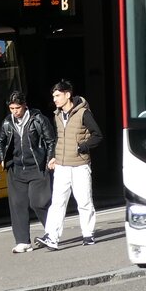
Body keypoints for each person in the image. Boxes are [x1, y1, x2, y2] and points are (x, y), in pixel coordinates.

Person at [37, 80, 102, 249]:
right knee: (57, 202)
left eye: (57, 95)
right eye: (53, 96)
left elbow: (97, 135)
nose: (55, 99)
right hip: (62, 165)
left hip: (80, 164)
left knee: (84, 201)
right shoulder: (57, 115)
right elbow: (60, 139)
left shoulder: (83, 113)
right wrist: (54, 157)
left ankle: (88, 234)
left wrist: (82, 147)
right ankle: (52, 237)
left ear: (67, 95)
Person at [0, 91, 55, 253]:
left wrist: (50, 159)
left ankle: (52, 233)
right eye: (12, 108)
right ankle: (22, 241)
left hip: (37, 167)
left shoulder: (38, 119)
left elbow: (51, 140)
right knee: (17, 205)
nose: (15, 111)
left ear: (25, 105)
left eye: (18, 108)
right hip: (16, 169)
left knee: (39, 202)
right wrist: (2, 158)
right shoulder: (7, 122)